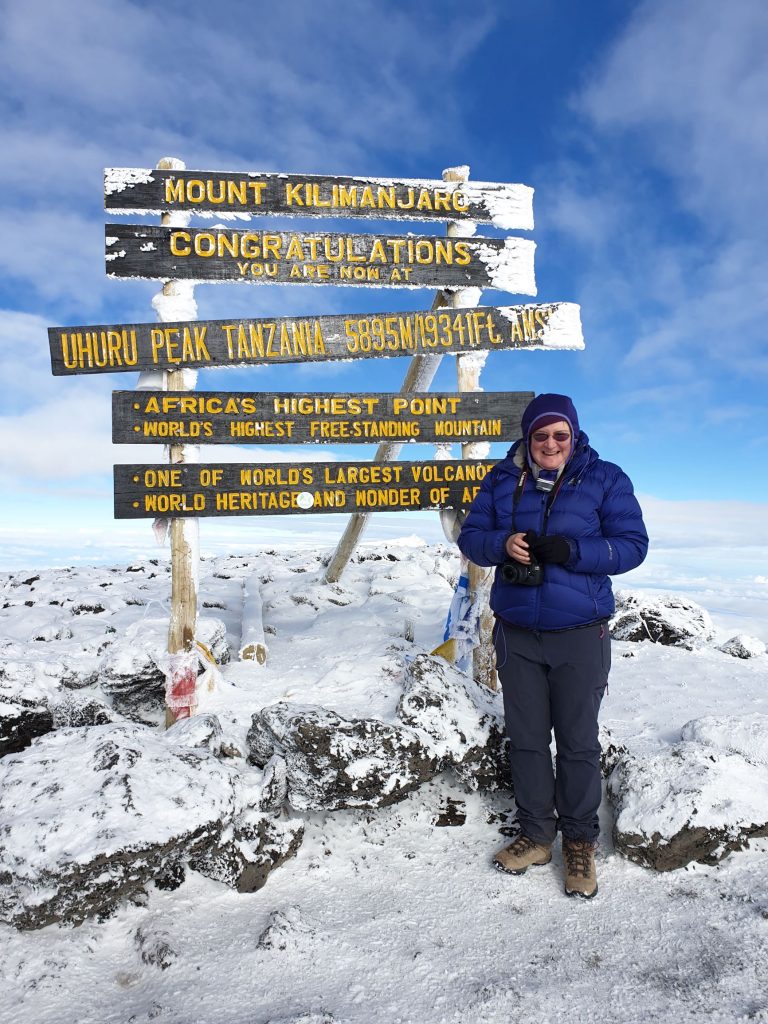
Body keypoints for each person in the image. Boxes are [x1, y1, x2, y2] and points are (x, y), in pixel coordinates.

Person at [457, 393, 648, 898]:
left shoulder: (606, 479)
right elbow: (471, 536)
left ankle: (580, 843)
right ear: (527, 436)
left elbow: (633, 546)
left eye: (559, 434)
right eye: (540, 434)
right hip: (517, 632)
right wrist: (501, 544)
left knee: (579, 741)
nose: (549, 443)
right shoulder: (502, 481)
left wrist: (574, 550)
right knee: (526, 738)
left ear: (574, 435)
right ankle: (536, 834)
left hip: (580, 635)